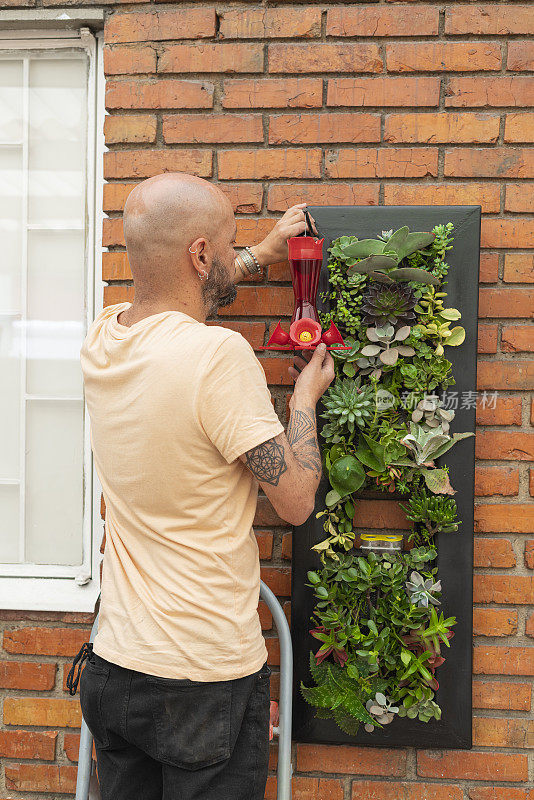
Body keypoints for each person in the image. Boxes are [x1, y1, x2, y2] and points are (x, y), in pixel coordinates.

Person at [74, 172, 335, 800]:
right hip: (203, 683)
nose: (232, 251)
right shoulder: (218, 358)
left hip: (115, 669)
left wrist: (261, 253)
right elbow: (297, 502)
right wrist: (304, 401)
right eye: (227, 241)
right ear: (199, 255)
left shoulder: (104, 337)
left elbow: (179, 292)